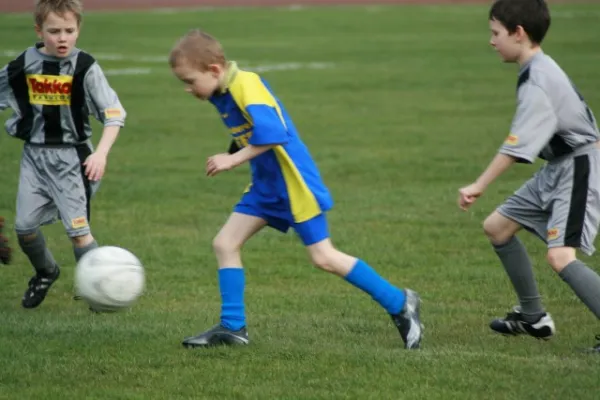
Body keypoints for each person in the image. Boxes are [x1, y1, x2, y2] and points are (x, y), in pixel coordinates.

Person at [168, 29, 423, 349]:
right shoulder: (222, 91)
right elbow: (249, 129)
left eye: (190, 81)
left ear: (215, 70)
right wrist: (234, 151)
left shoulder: (245, 83)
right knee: (225, 243)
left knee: (324, 257)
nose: (189, 89)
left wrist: (230, 161)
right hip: (265, 187)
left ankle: (400, 303)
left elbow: (274, 132)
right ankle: (233, 327)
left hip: (294, 185)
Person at [458, 0, 600, 353]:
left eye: (496, 33)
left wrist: (478, 185)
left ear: (518, 33)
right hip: (558, 166)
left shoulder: (538, 79)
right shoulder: (537, 68)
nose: (492, 41)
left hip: (579, 167)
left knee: (560, 257)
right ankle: (533, 316)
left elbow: (515, 147)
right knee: (497, 227)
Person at [0, 0, 126, 308]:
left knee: (78, 231)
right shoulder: (22, 66)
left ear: (78, 30)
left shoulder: (85, 67)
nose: (62, 38)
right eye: (54, 31)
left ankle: (100, 294)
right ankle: (46, 272)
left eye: (69, 30)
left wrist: (102, 154)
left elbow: (114, 114)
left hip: (74, 159)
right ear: (39, 31)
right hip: (34, 158)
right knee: (24, 228)